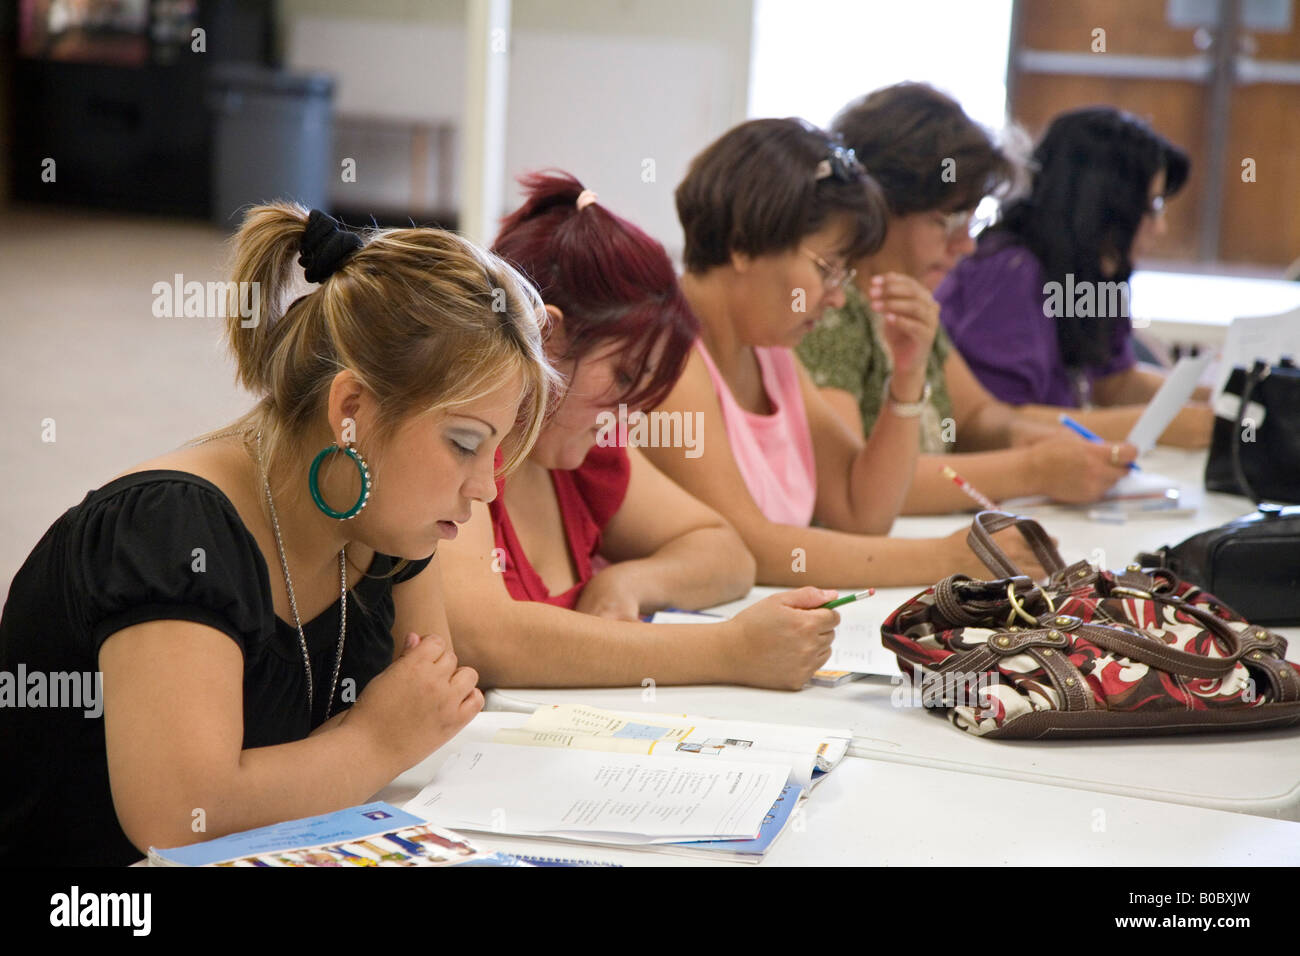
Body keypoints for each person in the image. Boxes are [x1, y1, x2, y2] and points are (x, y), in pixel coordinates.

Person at [0, 204, 555, 865]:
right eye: (464, 443)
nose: (486, 487)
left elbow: (430, 708)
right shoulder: (172, 532)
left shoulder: (385, 523)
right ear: (351, 411)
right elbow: (180, 817)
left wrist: (390, 739)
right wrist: (373, 742)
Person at [440, 172, 841, 691]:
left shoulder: (583, 454)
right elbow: (486, 639)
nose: (627, 415)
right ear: (546, 338)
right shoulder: (462, 453)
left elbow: (725, 552)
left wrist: (628, 579)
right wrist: (730, 649)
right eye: (623, 377)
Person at [645, 118, 1049, 588]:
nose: (837, 297)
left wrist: (907, 377)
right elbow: (750, 544)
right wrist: (945, 559)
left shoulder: (769, 353)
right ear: (742, 245)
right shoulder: (669, 355)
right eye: (828, 268)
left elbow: (861, 510)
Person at [797, 82, 1141, 512]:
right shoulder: (829, 313)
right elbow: (855, 485)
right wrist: (1032, 469)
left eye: (971, 221)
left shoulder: (905, 297)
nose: (967, 245)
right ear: (876, 205)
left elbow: (976, 415)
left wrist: (1024, 436)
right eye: (947, 220)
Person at [937, 106, 1213, 448]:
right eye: (1153, 207)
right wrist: (1161, 423)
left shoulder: (1090, 273)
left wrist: (1219, 401)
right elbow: (996, 421)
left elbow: (1114, 382)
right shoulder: (1012, 272)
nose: (1161, 227)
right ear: (1105, 204)